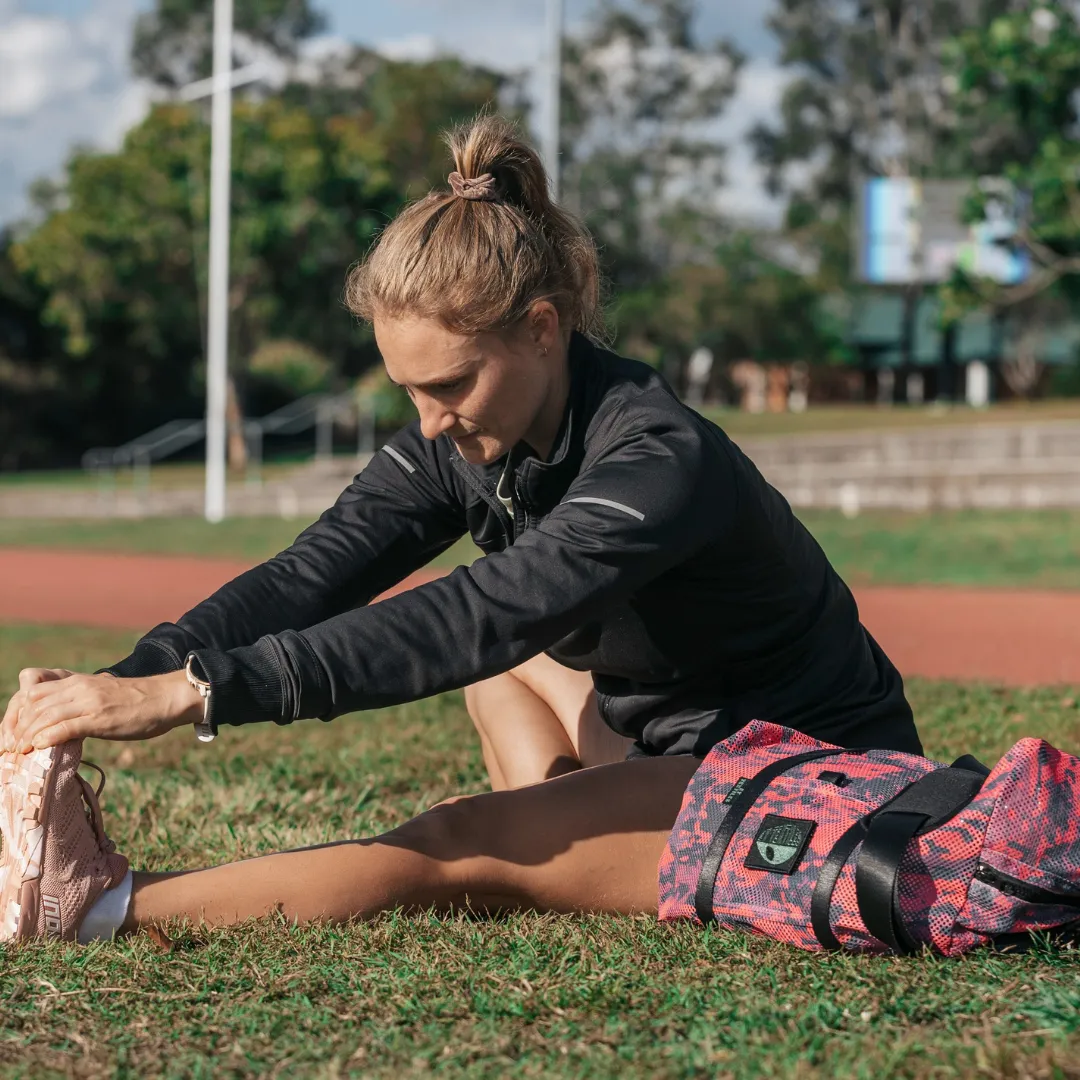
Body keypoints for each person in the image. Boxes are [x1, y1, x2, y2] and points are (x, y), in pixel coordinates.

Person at [0, 115, 922, 944]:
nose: (431, 419)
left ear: (542, 329)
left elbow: (477, 618)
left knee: (454, 841)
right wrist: (122, 683)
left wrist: (202, 693)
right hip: (660, 735)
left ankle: (96, 907)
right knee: (516, 677)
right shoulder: (476, 431)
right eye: (409, 389)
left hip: (795, 773)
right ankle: (568, 831)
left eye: (449, 385)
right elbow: (316, 572)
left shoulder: (655, 457)